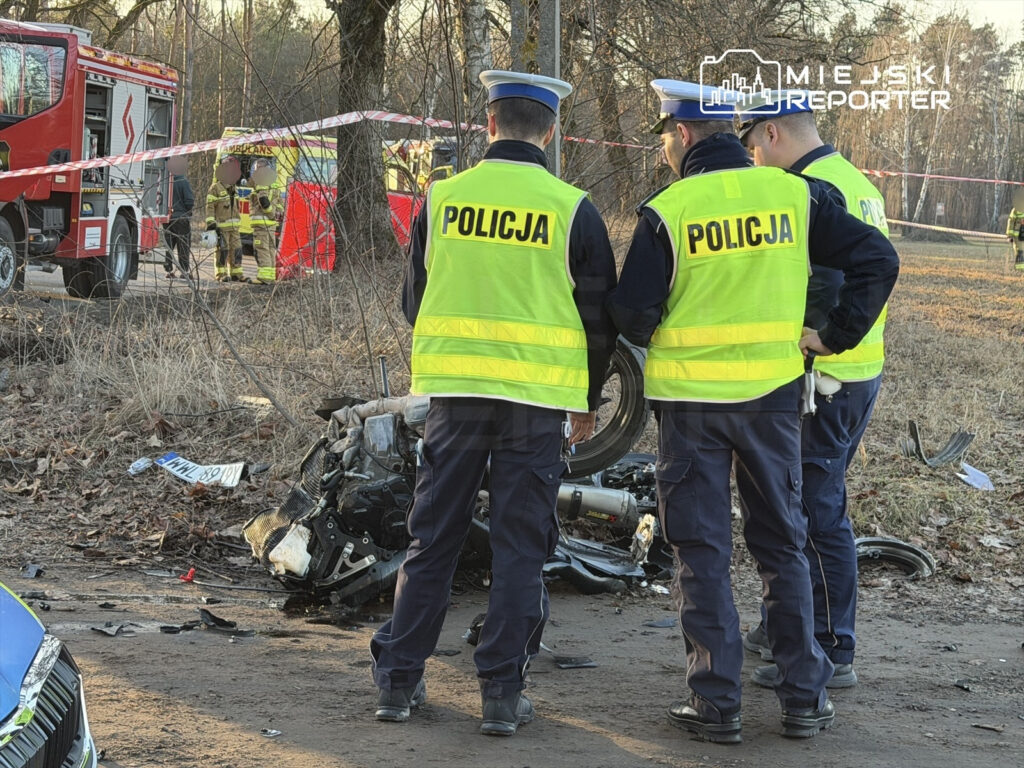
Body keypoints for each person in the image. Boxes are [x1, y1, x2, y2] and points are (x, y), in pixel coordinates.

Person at [608, 80, 899, 743]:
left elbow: (631, 313)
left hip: (690, 410)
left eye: (664, 139)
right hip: (772, 402)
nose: (663, 151)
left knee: (702, 551)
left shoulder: (669, 211)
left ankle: (717, 705)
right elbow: (877, 260)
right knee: (783, 542)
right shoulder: (798, 197)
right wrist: (833, 334)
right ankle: (804, 697)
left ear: (683, 136)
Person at [370, 69, 617, 737]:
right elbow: (600, 323)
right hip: (537, 407)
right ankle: (501, 695)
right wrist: (587, 401)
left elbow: (414, 301)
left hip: (455, 399)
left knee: (433, 540)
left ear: (488, 125)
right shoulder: (573, 209)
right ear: (553, 131)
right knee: (518, 549)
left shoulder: (442, 200)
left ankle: (398, 681)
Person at [734, 90, 891, 691]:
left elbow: (834, 281)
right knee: (813, 505)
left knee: (815, 513)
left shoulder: (815, 189)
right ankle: (788, 628)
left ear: (772, 134)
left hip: (828, 380)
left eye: (753, 148)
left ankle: (828, 648)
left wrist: (827, 338)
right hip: (859, 376)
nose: (753, 163)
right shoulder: (854, 179)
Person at [206, 154, 244, 281]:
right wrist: (211, 223)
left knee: (237, 250)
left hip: (234, 228)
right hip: (222, 226)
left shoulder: (234, 188)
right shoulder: (215, 188)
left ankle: (236, 273)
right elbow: (210, 207)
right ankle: (221, 274)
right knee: (223, 250)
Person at [250, 158, 282, 284]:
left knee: (262, 249)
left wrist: (270, 214)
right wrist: (276, 215)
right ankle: (270, 277)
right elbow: (279, 203)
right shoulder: (274, 183)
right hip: (271, 225)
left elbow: (263, 200)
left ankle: (264, 277)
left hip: (262, 223)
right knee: (270, 249)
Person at [163, 155, 194, 279]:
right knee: (183, 246)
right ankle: (184, 271)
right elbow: (189, 201)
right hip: (181, 219)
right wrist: (187, 212)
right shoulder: (183, 181)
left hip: (167, 219)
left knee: (169, 245)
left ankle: (169, 270)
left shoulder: (165, 182)